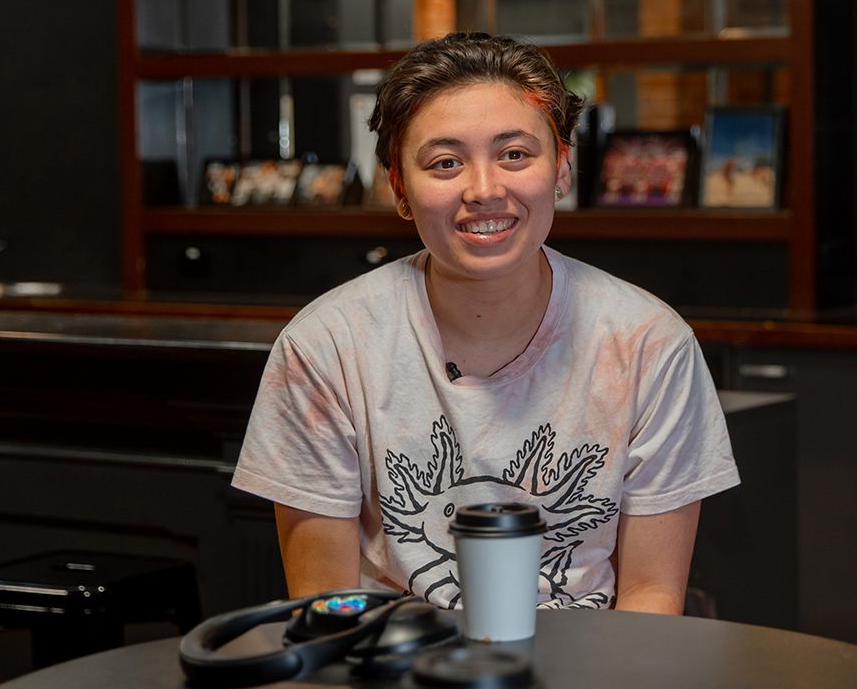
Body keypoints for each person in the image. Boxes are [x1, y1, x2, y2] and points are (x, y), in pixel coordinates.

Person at [233, 32, 738, 614]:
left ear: (562, 169)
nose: (484, 190)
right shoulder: (325, 346)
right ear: (400, 188)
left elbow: (650, 596)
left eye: (515, 155)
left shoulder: (648, 343)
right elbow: (326, 605)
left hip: (588, 680)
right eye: (445, 162)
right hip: (394, 679)